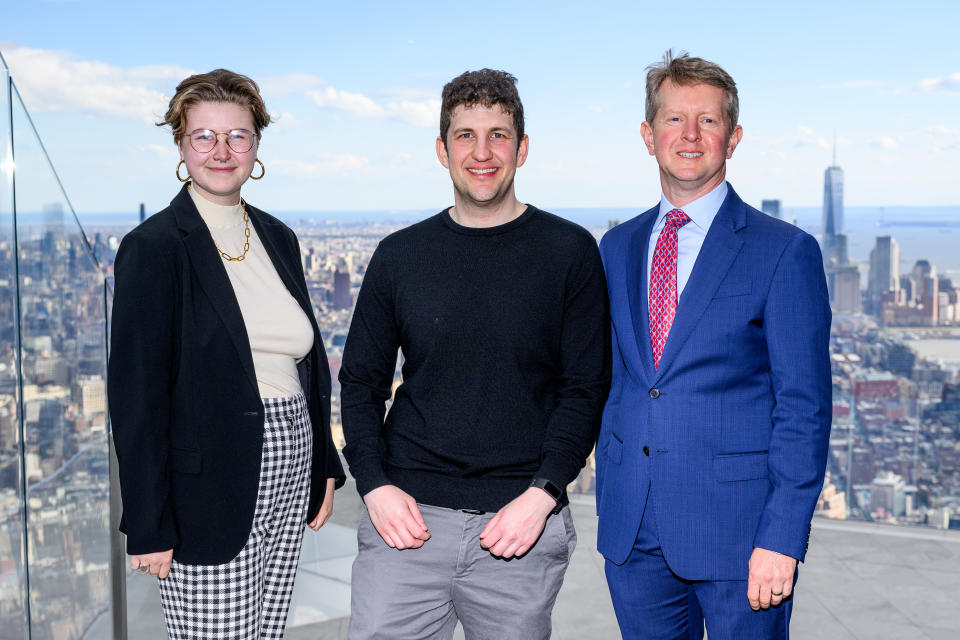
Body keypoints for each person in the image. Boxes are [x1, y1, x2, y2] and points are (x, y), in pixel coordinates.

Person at [338, 68, 610, 640]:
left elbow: (584, 388)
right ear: (442, 150)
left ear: (523, 148)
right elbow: (360, 381)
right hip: (406, 518)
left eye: (498, 134)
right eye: (465, 135)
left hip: (522, 521)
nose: (481, 152)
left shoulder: (570, 252)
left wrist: (543, 495)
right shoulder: (399, 256)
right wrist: (375, 485)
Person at [596, 51, 832, 639]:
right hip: (634, 535)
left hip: (742, 540)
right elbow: (611, 380)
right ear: (649, 136)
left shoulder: (783, 251)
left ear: (734, 137)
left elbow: (804, 408)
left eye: (708, 120)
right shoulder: (616, 247)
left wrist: (782, 538)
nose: (691, 135)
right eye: (675, 120)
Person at [108, 68, 344, 639]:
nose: (221, 150)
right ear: (181, 146)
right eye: (203, 136)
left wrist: (324, 467)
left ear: (256, 144)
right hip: (205, 486)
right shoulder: (154, 247)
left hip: (291, 470)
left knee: (265, 632)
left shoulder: (279, 238)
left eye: (237, 135)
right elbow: (136, 396)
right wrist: (148, 522)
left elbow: (306, 363)